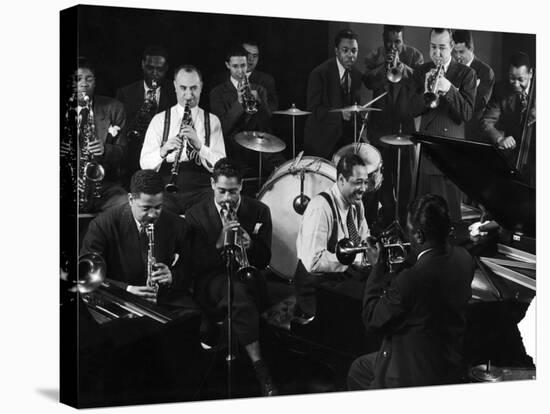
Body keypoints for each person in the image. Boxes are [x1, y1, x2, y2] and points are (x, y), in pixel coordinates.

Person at [347, 194, 475, 389]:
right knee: (361, 368)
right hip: (447, 363)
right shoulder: (464, 259)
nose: (406, 236)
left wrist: (376, 269)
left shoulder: (411, 280)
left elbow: (372, 319)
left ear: (419, 236)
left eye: (408, 231)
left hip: (411, 373)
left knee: (357, 372)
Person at [185, 158, 278, 396]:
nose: (227, 198)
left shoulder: (259, 211)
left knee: (266, 297)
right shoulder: (195, 214)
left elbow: (264, 260)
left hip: (246, 273)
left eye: (233, 192)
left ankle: (273, 354)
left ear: (242, 186)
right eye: (222, 191)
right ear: (212, 184)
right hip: (210, 278)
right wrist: (221, 242)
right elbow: (195, 265)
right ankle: (261, 369)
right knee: (238, 296)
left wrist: (251, 245)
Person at [80, 170, 191, 305]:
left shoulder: (177, 224)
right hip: (119, 301)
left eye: (158, 207)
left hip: (165, 302)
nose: (152, 215)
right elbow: (87, 274)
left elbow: (192, 268)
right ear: (131, 199)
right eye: (145, 208)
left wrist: (173, 276)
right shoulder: (102, 225)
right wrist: (126, 290)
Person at [408, 28, 477, 221]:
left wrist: (449, 89)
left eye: (441, 48)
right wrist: (425, 91)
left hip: (451, 156)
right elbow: (411, 110)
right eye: (432, 47)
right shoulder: (421, 71)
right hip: (426, 154)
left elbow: (467, 114)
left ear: (452, 46)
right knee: (423, 216)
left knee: (449, 217)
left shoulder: (467, 74)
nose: (436, 54)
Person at [294, 153, 371, 322]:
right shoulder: (320, 208)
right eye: (358, 182)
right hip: (315, 285)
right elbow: (312, 262)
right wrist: (355, 258)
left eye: (366, 182)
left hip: (341, 278)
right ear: (342, 179)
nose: (363, 188)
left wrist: (371, 251)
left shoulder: (357, 203)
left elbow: (364, 237)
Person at [140, 65, 226, 214]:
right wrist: (163, 151)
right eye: (183, 88)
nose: (188, 95)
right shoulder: (159, 120)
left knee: (209, 215)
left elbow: (222, 166)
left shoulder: (212, 121)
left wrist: (199, 146)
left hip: (202, 189)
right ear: (175, 86)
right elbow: (144, 164)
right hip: (166, 187)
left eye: (193, 88)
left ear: (201, 87)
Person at [362, 25, 424, 230]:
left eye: (397, 41)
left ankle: (404, 225)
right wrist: (383, 67)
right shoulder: (374, 55)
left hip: (404, 127)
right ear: (383, 39)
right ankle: (385, 222)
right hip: (380, 127)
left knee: (405, 180)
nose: (393, 46)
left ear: (402, 39)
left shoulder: (415, 56)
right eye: (389, 41)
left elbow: (420, 81)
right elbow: (367, 81)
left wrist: (402, 67)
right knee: (382, 181)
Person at [65, 57, 128, 213]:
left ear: (95, 82)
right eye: (77, 79)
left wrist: (105, 149)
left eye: (89, 79)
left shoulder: (114, 108)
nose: (83, 84)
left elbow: (124, 152)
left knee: (127, 205)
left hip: (104, 187)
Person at [209, 45, 282, 177]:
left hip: (258, 145)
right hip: (232, 148)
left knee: (283, 167)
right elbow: (223, 128)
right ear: (227, 65)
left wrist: (259, 102)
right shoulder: (217, 92)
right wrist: (239, 103)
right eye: (235, 66)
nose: (240, 71)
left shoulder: (259, 90)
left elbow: (266, 124)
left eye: (243, 65)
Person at [116, 45, 177, 186]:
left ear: (167, 68)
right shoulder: (125, 93)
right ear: (143, 65)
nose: (154, 73)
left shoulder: (175, 93)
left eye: (160, 69)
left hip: (164, 160)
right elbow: (121, 133)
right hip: (132, 159)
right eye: (150, 68)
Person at [304, 29, 366, 159]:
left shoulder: (357, 75)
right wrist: (340, 114)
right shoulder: (319, 74)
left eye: (354, 50)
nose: (350, 55)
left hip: (346, 141)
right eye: (345, 50)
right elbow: (314, 110)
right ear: (336, 51)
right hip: (322, 142)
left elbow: (355, 108)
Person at [480, 52, 535, 186]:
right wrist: (500, 139)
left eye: (521, 79)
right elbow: (487, 121)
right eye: (512, 78)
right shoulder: (500, 89)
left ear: (531, 73)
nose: (516, 84)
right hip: (513, 156)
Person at [452, 29, 495, 140]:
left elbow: (479, 103)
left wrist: (454, 93)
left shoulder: (486, 72)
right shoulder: (452, 68)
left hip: (473, 132)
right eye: (455, 52)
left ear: (471, 49)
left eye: (461, 52)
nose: (457, 56)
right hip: (452, 129)